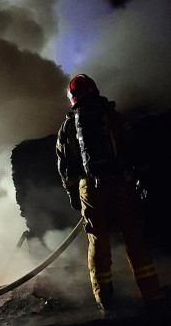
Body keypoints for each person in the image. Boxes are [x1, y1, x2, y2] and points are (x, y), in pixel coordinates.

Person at [56, 74, 163, 310]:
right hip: (120, 185)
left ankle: (104, 297)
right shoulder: (112, 117)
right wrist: (139, 178)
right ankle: (151, 293)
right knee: (133, 237)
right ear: (94, 90)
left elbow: (65, 167)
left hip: (90, 190)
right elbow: (133, 148)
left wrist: (74, 194)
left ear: (72, 98)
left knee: (98, 242)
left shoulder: (68, 127)